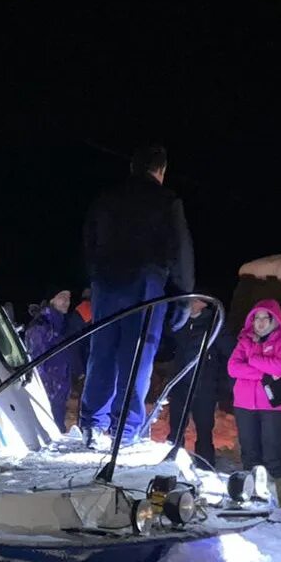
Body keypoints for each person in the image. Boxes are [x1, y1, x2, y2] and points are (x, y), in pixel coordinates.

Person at [80, 144, 195, 447]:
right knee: (138, 355)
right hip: (145, 285)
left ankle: (93, 423)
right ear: (161, 170)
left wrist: (96, 275)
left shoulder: (106, 198)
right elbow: (180, 249)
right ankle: (125, 430)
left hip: (106, 284)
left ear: (133, 167)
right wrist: (183, 296)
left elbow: (88, 239)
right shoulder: (167, 201)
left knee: (102, 350)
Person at [227, 300, 281, 520]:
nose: (259, 323)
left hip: (273, 406)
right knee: (250, 455)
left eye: (264, 318)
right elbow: (233, 368)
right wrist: (263, 370)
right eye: (255, 318)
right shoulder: (244, 340)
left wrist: (252, 360)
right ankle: (254, 499)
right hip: (244, 404)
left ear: (275, 320)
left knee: (274, 456)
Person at [166, 296, 226, 465]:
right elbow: (166, 347)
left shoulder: (214, 323)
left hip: (204, 385)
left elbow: (227, 349)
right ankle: (171, 463)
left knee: (204, 429)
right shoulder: (179, 322)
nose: (191, 304)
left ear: (203, 304)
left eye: (195, 300)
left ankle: (205, 466)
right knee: (176, 428)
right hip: (180, 383)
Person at [23, 289, 87, 431]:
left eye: (68, 298)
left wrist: (78, 370)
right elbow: (37, 358)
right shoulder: (40, 325)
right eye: (61, 297)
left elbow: (71, 351)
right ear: (51, 299)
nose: (66, 302)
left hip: (62, 382)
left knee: (58, 416)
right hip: (48, 384)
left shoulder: (66, 323)